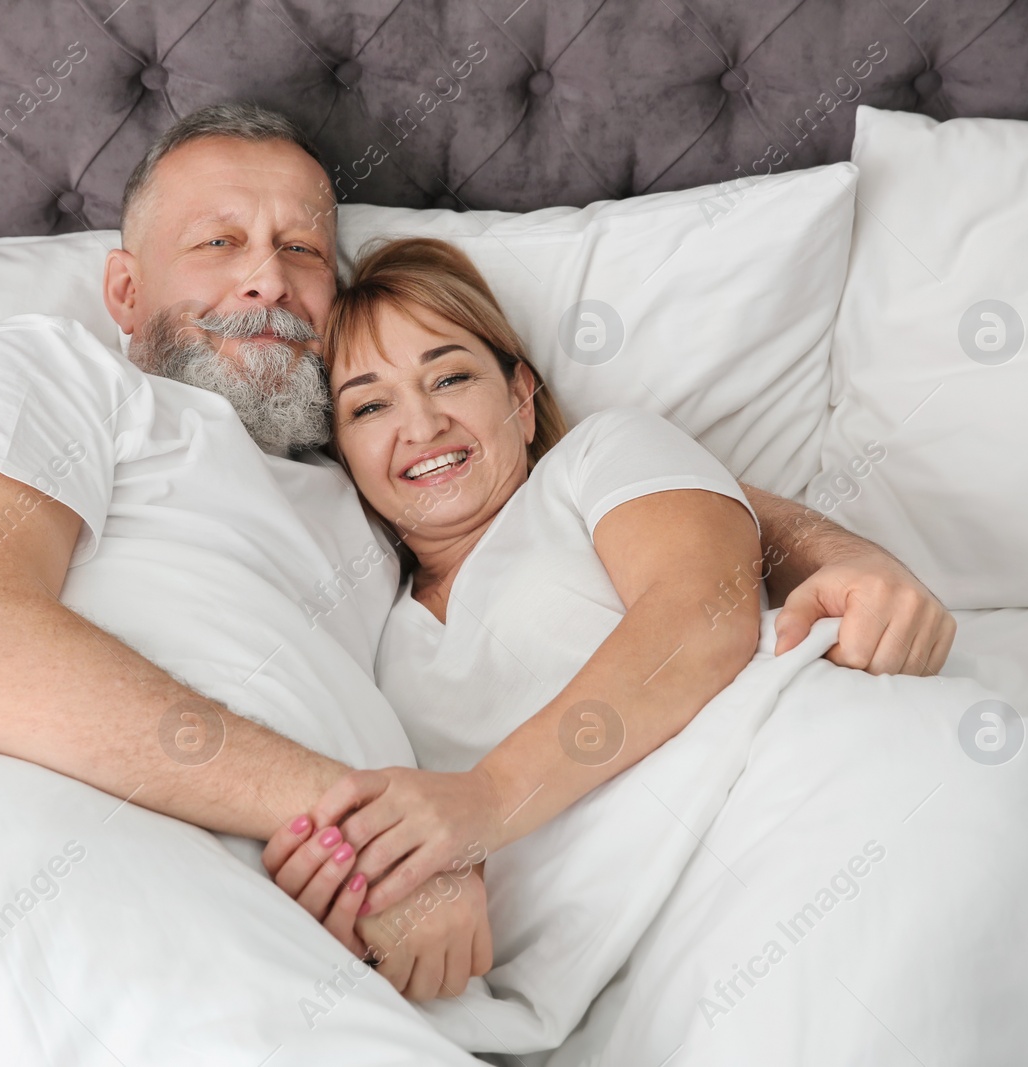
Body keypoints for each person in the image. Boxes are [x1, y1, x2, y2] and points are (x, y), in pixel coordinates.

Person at [0, 103, 956, 1002]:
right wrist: (361, 829)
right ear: (123, 291)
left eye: (301, 249)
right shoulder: (64, 373)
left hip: (360, 924)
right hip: (109, 853)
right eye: (216, 242)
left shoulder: (361, 492)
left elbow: (648, 503)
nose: (265, 279)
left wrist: (841, 547)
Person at [263, 236, 765, 997]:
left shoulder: (596, 461)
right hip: (619, 972)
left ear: (522, 398)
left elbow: (706, 616)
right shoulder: (373, 644)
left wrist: (488, 798)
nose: (423, 424)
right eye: (370, 404)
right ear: (344, 456)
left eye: (451, 376)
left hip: (766, 812)